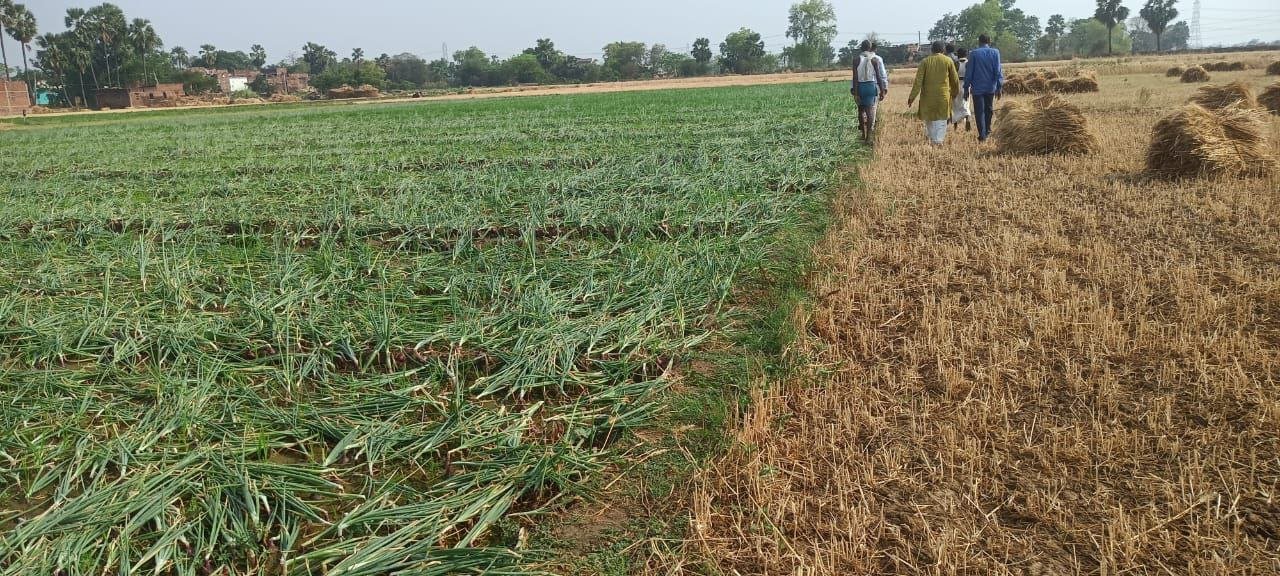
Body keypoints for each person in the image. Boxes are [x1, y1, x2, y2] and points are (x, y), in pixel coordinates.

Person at [908, 40, 961, 146]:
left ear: (932, 50)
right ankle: (937, 141)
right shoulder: (948, 61)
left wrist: (912, 97)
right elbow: (955, 80)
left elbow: (918, 82)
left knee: (929, 118)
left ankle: (933, 139)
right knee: (941, 119)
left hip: (927, 97)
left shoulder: (924, 62)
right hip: (943, 96)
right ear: (943, 50)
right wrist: (955, 93)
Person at [964, 34, 1004, 142]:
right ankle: (987, 130)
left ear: (979, 41)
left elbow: (969, 72)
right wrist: (999, 86)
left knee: (979, 111)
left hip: (977, 88)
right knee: (989, 109)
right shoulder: (995, 52)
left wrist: (966, 88)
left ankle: (982, 134)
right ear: (989, 41)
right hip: (990, 87)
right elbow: (998, 70)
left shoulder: (973, 54)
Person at [850, 40, 889, 143]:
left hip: (860, 86)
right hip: (871, 86)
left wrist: (855, 92)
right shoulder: (875, 60)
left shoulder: (856, 60)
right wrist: (882, 90)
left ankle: (863, 134)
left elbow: (855, 77)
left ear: (861, 48)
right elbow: (879, 76)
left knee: (861, 111)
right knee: (870, 111)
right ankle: (869, 136)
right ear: (870, 48)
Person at [951, 47, 971, 132]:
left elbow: (952, 76)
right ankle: (967, 117)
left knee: (955, 105)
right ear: (966, 54)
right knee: (965, 103)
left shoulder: (955, 63)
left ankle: (955, 126)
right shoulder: (969, 63)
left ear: (958, 54)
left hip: (956, 85)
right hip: (966, 85)